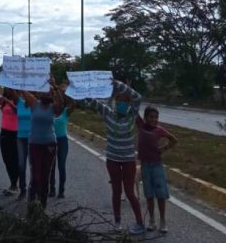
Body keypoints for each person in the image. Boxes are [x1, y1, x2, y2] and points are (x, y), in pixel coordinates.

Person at [87, 79, 145, 234]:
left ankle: (140, 222)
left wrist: (119, 84)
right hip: (112, 159)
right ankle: (117, 222)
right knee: (116, 191)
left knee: (130, 192)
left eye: (125, 102)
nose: (122, 104)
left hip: (128, 160)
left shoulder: (132, 115)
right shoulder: (108, 113)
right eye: (119, 101)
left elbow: (138, 97)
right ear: (115, 102)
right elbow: (91, 101)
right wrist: (77, 87)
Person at [19, 81, 64, 209]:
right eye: (42, 91)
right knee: (36, 176)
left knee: (45, 177)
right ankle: (32, 205)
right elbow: (22, 89)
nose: (45, 93)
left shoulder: (53, 107)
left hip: (50, 144)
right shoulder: (34, 103)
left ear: (51, 94)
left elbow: (61, 103)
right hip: (35, 144)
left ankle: (42, 207)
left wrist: (55, 87)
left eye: (47, 91)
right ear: (38, 93)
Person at [136, 106, 178, 233]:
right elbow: (133, 109)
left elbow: (174, 140)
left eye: (156, 117)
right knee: (149, 194)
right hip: (145, 166)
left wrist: (164, 149)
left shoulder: (159, 130)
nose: (154, 119)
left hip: (157, 166)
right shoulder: (141, 125)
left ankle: (163, 221)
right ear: (145, 117)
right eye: (151, 117)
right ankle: (152, 220)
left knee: (160, 195)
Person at [50, 81, 75, 199]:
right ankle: (52, 189)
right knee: (51, 166)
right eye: (54, 100)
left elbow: (73, 103)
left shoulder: (65, 112)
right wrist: (54, 89)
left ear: (61, 102)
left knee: (61, 166)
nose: (56, 102)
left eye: (58, 100)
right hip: (51, 141)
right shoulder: (49, 111)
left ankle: (61, 190)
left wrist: (57, 88)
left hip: (62, 141)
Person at [0, 87, 19, 196]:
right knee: (6, 159)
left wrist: (9, 102)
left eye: (10, 88)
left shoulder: (18, 101)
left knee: (14, 159)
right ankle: (12, 183)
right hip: (4, 132)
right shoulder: (3, 101)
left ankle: (15, 184)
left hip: (14, 133)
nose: (8, 90)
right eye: (7, 88)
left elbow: (17, 111)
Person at [15, 89, 32, 201]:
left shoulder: (35, 104)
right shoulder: (19, 102)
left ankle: (33, 189)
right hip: (20, 137)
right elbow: (12, 90)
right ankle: (22, 189)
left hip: (32, 138)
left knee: (33, 165)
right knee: (21, 165)